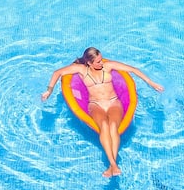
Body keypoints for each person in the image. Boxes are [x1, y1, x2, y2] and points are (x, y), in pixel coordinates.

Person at [41, 46, 164, 177]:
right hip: (95, 105)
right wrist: (49, 90)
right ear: (89, 62)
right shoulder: (82, 70)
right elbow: (57, 72)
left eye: (101, 59)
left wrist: (152, 83)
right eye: (98, 61)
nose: (101, 63)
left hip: (113, 102)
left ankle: (113, 165)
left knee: (113, 126)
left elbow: (133, 69)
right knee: (104, 126)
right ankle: (113, 164)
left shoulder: (108, 66)